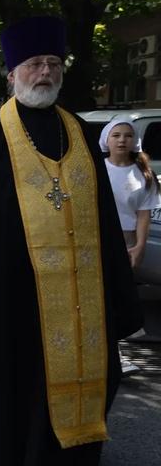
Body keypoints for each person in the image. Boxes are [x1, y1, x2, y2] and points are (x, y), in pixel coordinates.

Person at [0, 15, 142, 466]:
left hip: (80, 294)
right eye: (35, 64)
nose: (45, 72)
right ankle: (6, 460)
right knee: (11, 380)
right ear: (12, 74)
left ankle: (72, 463)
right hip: (7, 295)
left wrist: (119, 293)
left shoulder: (79, 133)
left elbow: (104, 217)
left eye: (53, 63)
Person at [99, 117, 159, 377]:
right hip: (100, 241)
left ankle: (117, 354)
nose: (122, 140)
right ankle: (106, 355)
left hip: (128, 242)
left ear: (135, 140)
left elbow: (144, 214)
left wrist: (140, 246)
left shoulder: (143, 173)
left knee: (120, 298)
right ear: (107, 140)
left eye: (127, 135)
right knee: (101, 297)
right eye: (116, 135)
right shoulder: (97, 169)